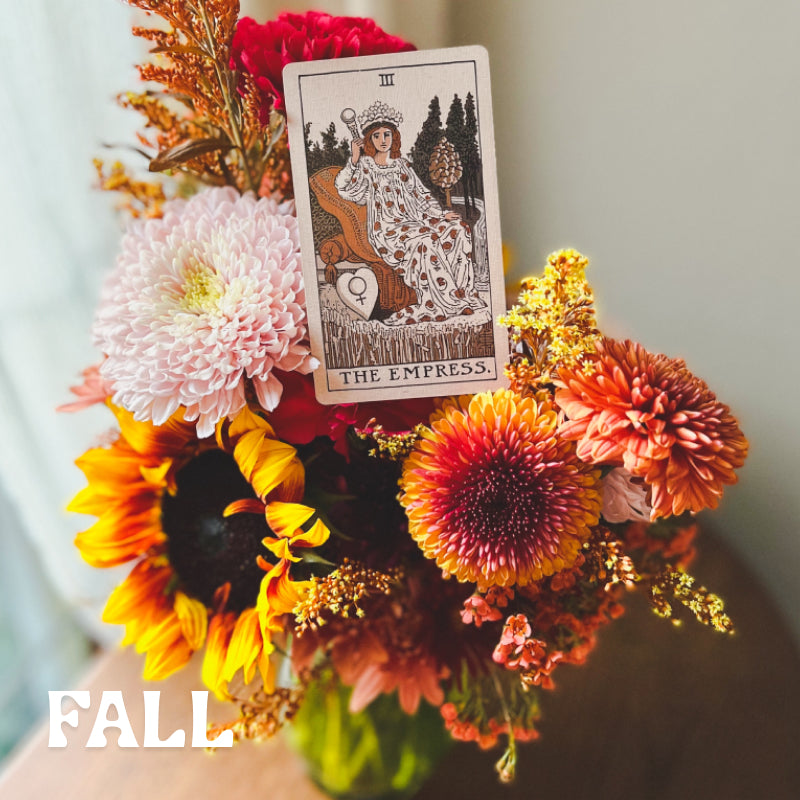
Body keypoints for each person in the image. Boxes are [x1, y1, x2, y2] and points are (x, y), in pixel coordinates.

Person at [334, 103, 484, 325]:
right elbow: (344, 188)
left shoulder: (403, 166)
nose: (383, 139)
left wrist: (442, 215)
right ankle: (443, 303)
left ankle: (462, 295)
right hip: (387, 230)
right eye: (376, 136)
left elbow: (421, 196)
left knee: (458, 230)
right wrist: (354, 160)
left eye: (387, 134)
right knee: (426, 239)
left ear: (394, 137)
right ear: (370, 140)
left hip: (416, 221)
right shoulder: (365, 167)